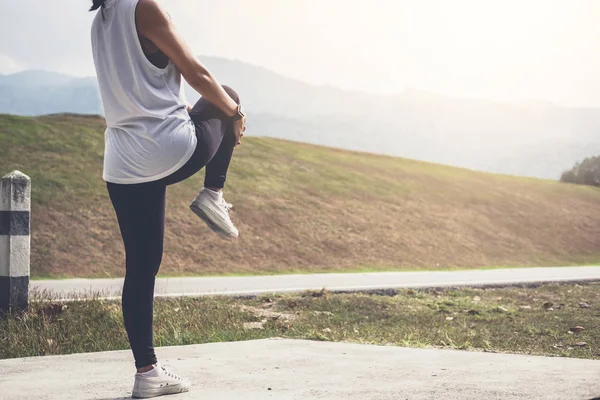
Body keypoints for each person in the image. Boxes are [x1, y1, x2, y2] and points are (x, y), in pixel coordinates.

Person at [90, 0, 246, 397]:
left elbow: (141, 85)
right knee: (227, 93)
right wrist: (234, 114)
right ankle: (213, 193)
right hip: (167, 149)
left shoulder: (102, 20)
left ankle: (147, 373)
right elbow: (197, 73)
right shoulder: (145, 7)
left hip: (123, 163)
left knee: (141, 268)